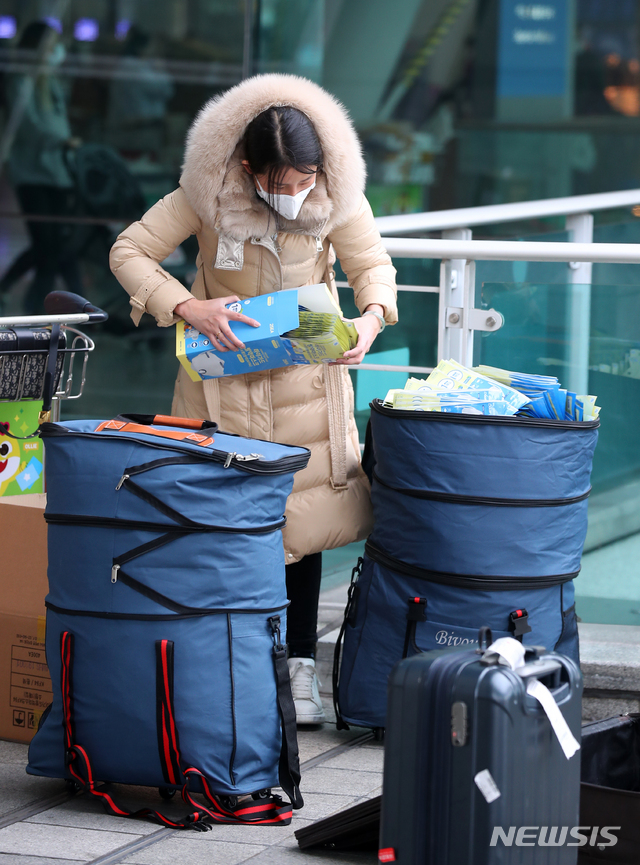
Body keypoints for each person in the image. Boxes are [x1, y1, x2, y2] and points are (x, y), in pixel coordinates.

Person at [109, 74, 398, 724]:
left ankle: (298, 669)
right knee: (223, 526)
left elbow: (371, 265)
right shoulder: (205, 194)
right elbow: (130, 250)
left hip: (307, 386)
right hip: (225, 385)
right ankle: (226, 663)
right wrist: (186, 305)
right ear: (248, 166)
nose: (296, 195)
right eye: (283, 183)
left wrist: (371, 322)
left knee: (305, 522)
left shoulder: (338, 193)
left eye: (306, 181)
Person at [1, 21, 83, 311]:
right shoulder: (21, 82)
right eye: (51, 46)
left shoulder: (50, 83)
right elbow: (31, 127)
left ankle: (22, 297)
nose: (57, 52)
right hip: (33, 173)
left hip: (57, 174)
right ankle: (34, 309)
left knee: (54, 245)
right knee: (47, 245)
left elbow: (56, 121)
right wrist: (64, 141)